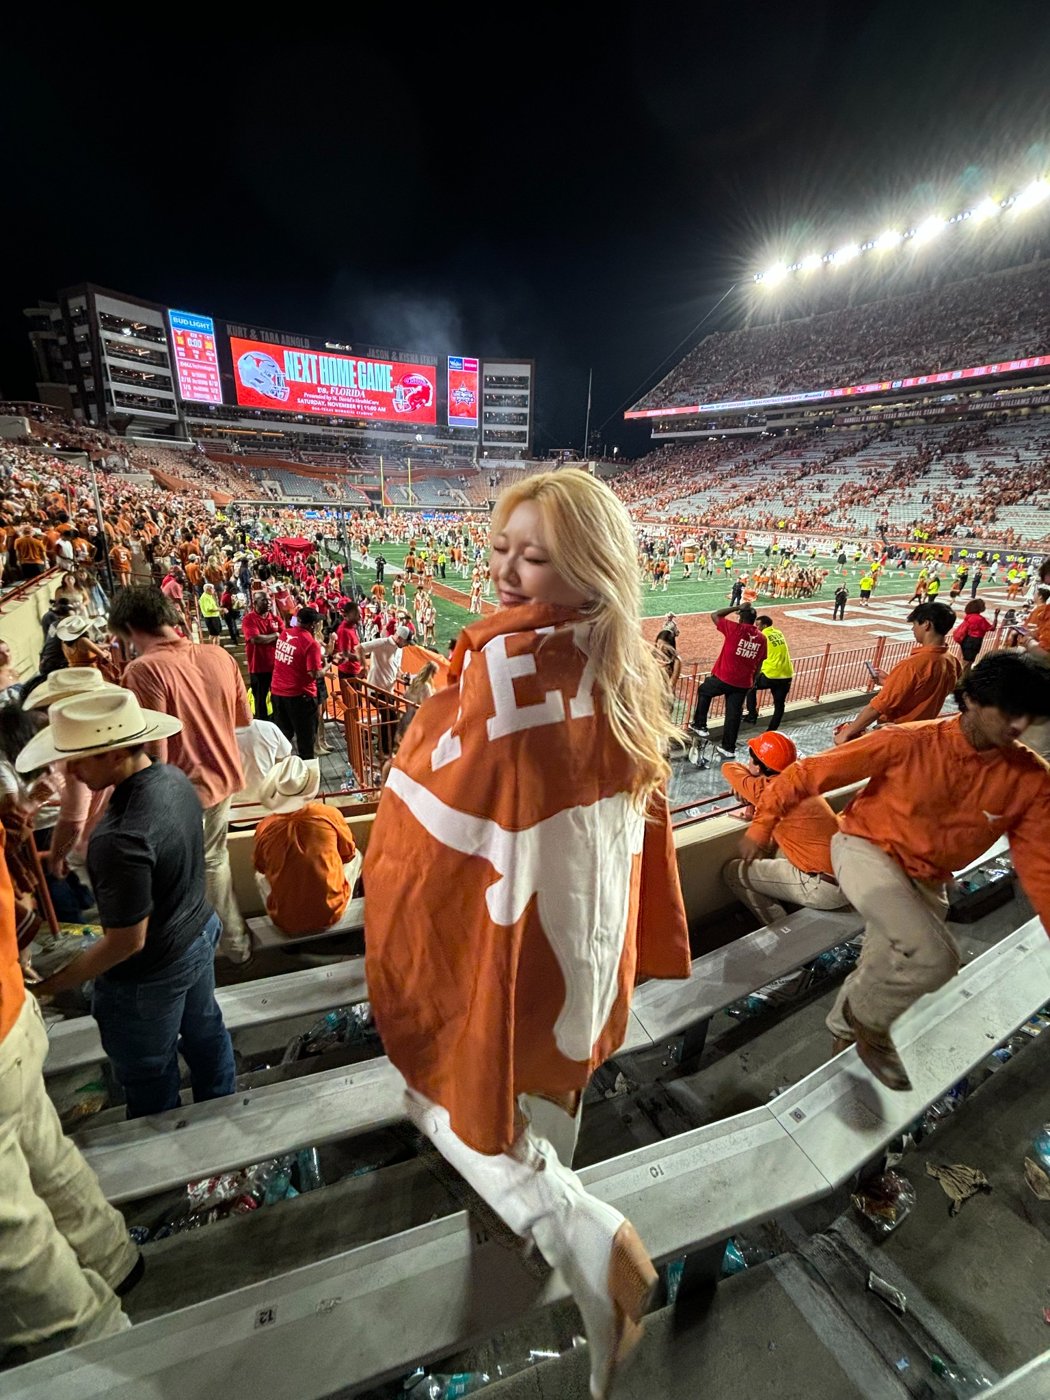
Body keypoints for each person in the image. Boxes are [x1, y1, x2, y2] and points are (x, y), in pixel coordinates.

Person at [363, 469, 690, 1400]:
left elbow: (425, 837)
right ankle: (556, 1244)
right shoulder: (623, 667)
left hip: (512, 954)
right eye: (501, 547)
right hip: (583, 962)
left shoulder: (504, 673)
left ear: (587, 567)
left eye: (534, 556)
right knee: (545, 1112)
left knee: (442, 1098)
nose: (506, 572)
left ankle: (582, 1239)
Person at [741, 652, 1050, 1091]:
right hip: (866, 851)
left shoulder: (1031, 777)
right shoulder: (909, 742)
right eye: (1011, 713)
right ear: (974, 701)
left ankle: (845, 1063)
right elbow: (808, 772)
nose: (1020, 728)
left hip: (927, 878)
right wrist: (760, 829)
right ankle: (862, 1025)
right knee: (936, 959)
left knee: (883, 967)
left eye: (1032, 717)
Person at [18, 690, 236, 1118]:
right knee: (205, 1030)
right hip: (197, 932)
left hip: (153, 971)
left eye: (80, 758)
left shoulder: (118, 838)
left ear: (115, 752)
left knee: (148, 1071)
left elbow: (126, 943)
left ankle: (167, 1150)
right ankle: (222, 1113)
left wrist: (48, 986)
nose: (70, 771)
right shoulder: (173, 778)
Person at [0, 816, 143, 1359]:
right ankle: (115, 1260)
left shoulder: (121, 835)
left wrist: (63, 980)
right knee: (42, 1151)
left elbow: (132, 937)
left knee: (12, 1237)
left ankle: (95, 1351)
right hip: (10, 1011)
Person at [109, 587, 253, 965]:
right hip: (224, 778)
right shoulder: (219, 654)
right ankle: (232, 945)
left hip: (182, 789)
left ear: (129, 629)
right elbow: (243, 719)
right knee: (211, 861)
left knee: (187, 872)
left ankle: (223, 948)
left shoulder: (143, 670)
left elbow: (152, 750)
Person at [721, 730, 849, 924]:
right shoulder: (802, 782)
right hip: (849, 877)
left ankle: (781, 929)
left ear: (757, 766)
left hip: (824, 887)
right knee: (775, 852)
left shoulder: (766, 789)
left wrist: (749, 780)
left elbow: (728, 767)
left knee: (733, 872)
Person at [253, 756, 362, 937]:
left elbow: (261, 867)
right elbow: (348, 854)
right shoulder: (329, 814)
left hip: (286, 920)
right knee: (358, 856)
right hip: (331, 912)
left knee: (259, 877)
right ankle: (350, 900)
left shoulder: (265, 826)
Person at [833, 602, 961, 745]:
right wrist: (890, 681)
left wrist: (846, 732)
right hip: (920, 731)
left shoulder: (912, 665)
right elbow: (925, 691)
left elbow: (878, 706)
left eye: (914, 624)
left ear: (926, 624)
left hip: (897, 734)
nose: (913, 629)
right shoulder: (952, 661)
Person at [689, 605, 767, 759]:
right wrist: (753, 680)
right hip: (744, 682)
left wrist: (737, 606)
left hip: (725, 677)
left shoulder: (735, 629)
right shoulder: (762, 638)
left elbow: (715, 614)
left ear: (741, 617)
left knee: (704, 690)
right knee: (733, 714)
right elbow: (760, 662)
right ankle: (728, 748)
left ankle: (700, 725)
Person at [270, 606, 324, 761]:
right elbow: (314, 673)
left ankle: (282, 774)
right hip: (300, 696)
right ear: (312, 625)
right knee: (306, 742)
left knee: (283, 739)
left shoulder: (284, 633)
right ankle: (307, 778)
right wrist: (325, 669)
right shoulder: (310, 643)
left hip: (278, 693)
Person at [744, 615, 793, 731]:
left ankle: (752, 715)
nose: (756, 628)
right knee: (779, 705)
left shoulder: (762, 636)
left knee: (749, 686)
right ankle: (771, 731)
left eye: (758, 625)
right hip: (786, 674)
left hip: (771, 673)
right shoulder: (778, 632)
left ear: (764, 626)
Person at [234, 716, 293, 805]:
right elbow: (286, 761)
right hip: (269, 802)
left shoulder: (213, 736)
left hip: (232, 808)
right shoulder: (268, 728)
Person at [242, 592, 281, 720]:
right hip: (258, 667)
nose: (268, 602)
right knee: (260, 700)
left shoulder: (275, 619)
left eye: (269, 600)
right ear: (255, 603)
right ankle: (262, 725)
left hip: (276, 667)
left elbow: (284, 637)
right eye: (264, 600)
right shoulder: (249, 619)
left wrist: (270, 638)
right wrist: (275, 636)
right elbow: (255, 639)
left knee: (278, 699)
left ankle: (278, 724)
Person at [953, 598, 995, 674]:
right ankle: (962, 680)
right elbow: (992, 628)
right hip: (975, 641)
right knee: (968, 664)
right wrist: (996, 616)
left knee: (965, 661)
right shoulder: (980, 619)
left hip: (966, 640)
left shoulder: (969, 616)